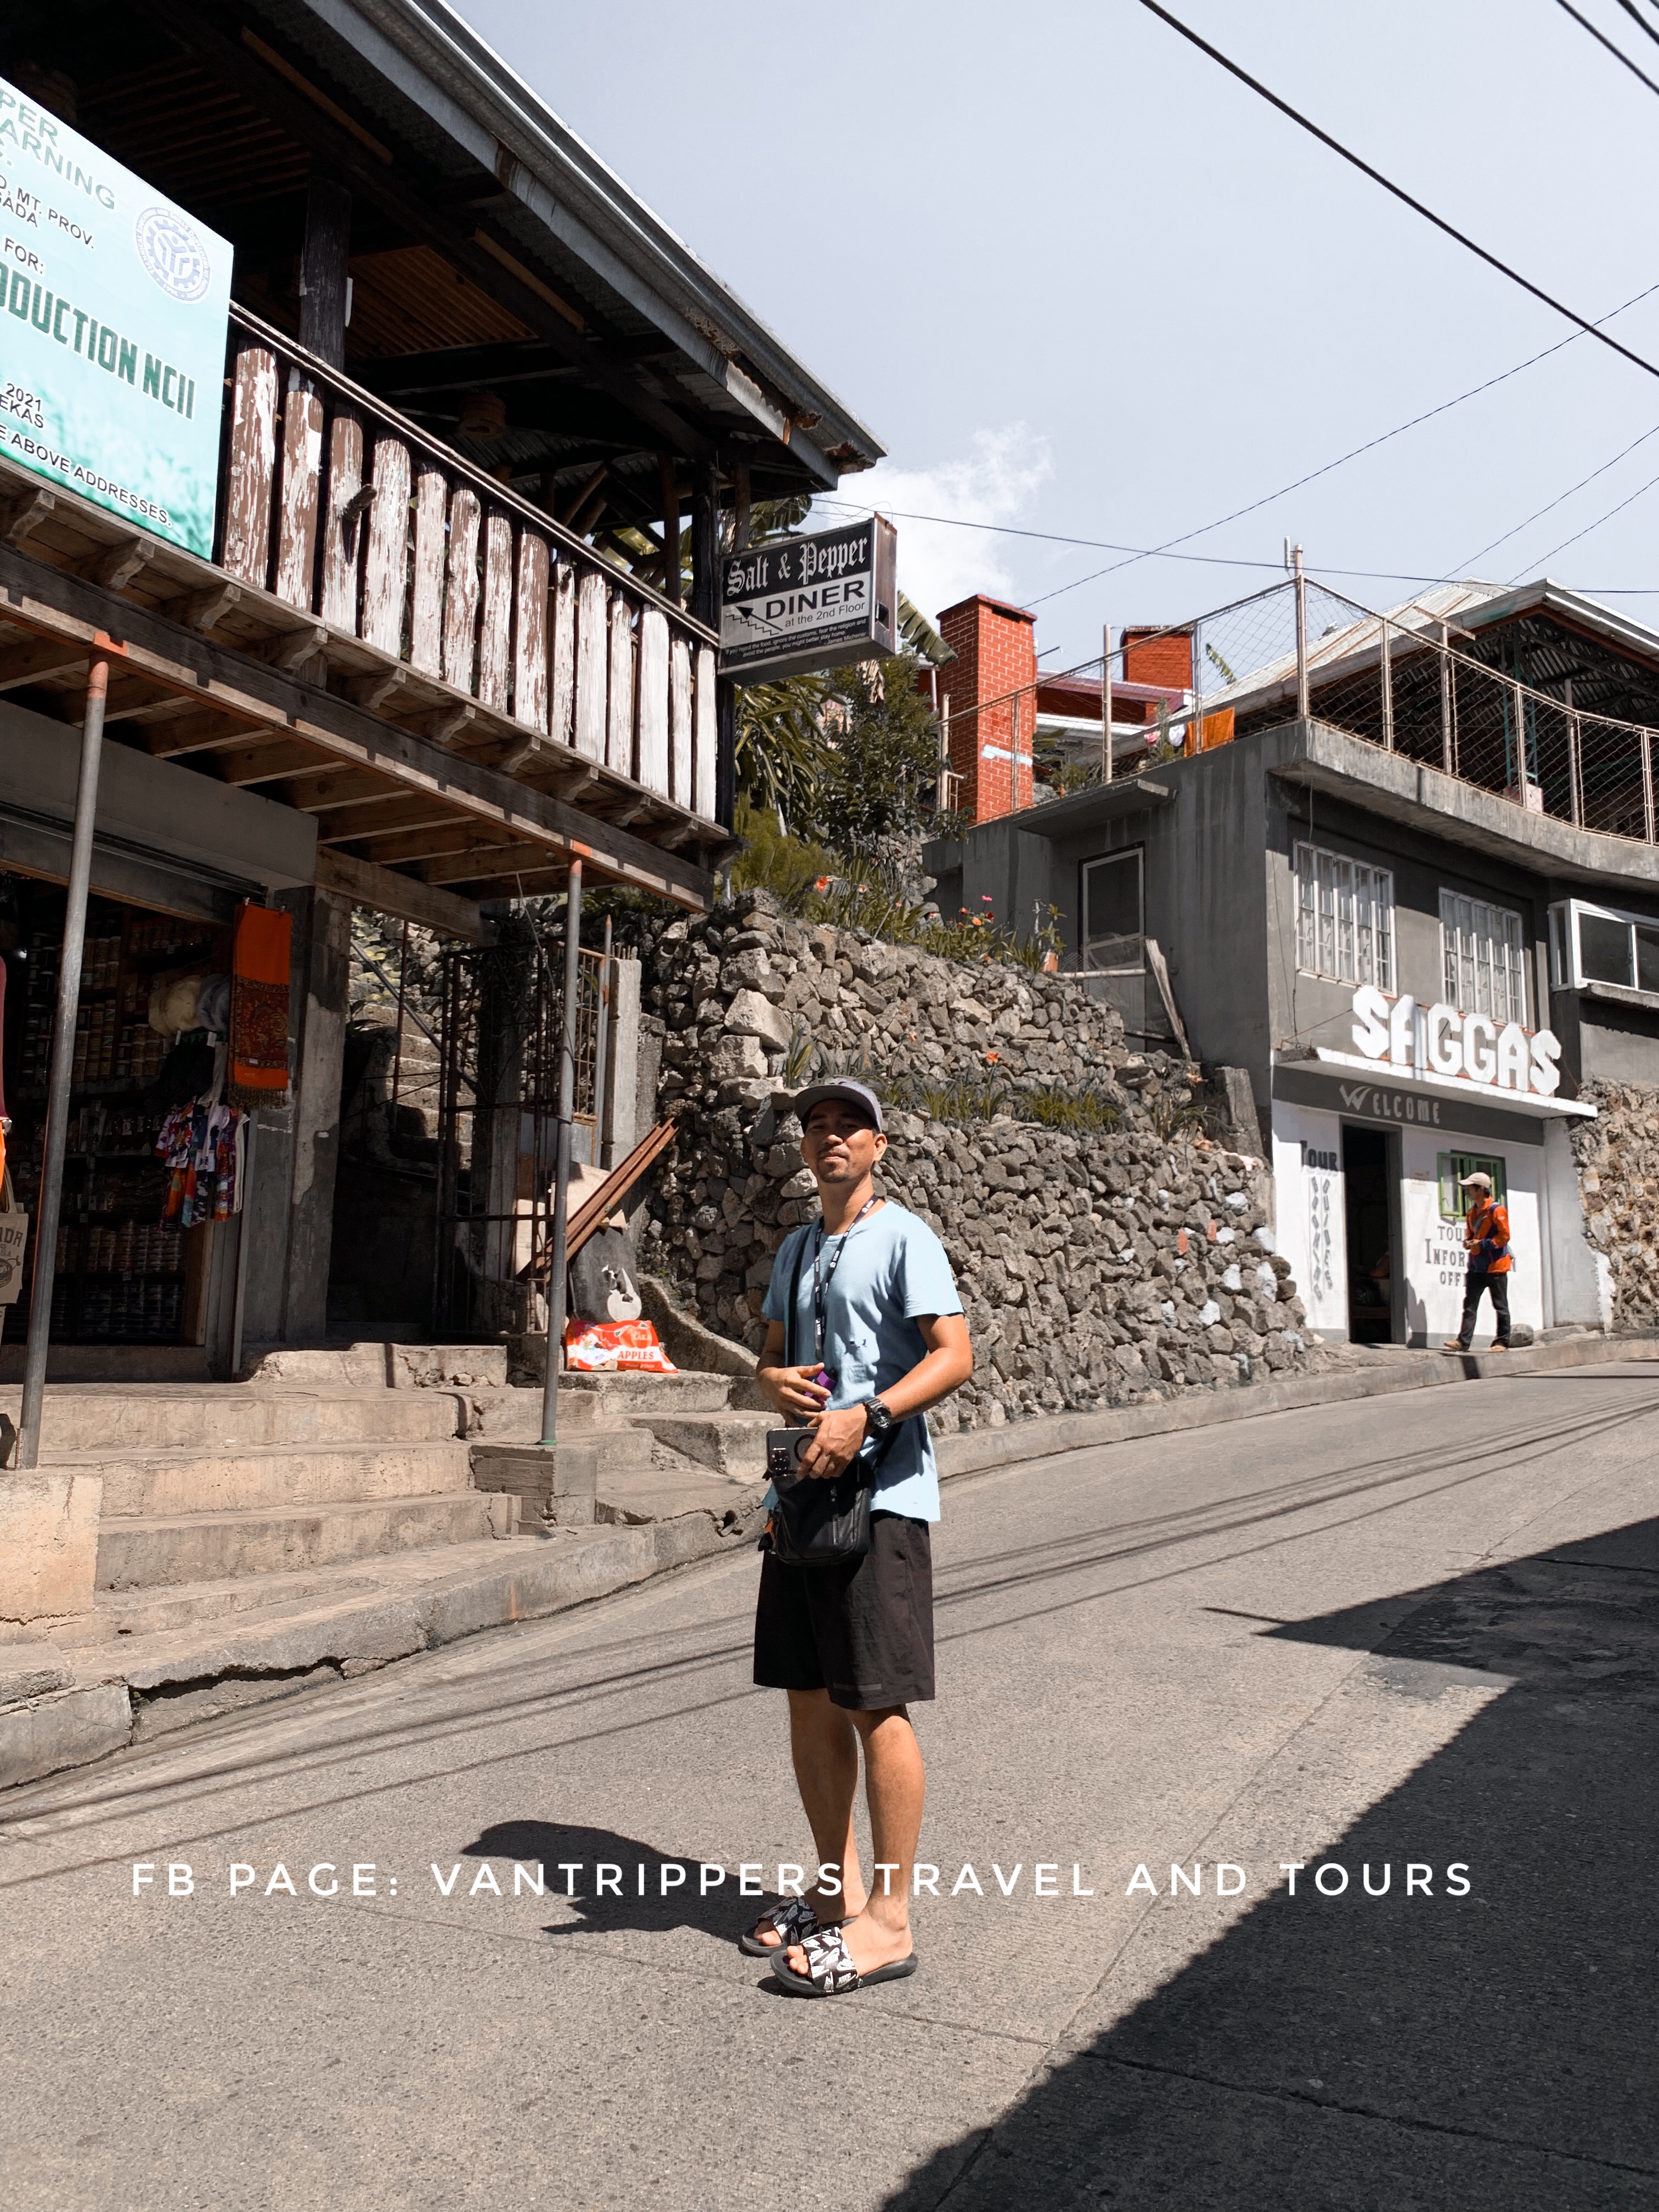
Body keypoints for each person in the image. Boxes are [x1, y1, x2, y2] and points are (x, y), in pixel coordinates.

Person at [745, 1077, 973, 1998]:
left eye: (849, 1125)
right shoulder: (797, 1247)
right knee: (807, 1697)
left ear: (878, 1146)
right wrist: (771, 1380)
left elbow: (954, 1354)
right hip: (802, 1497)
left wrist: (867, 1413)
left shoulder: (905, 1236)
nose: (830, 1136)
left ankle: (889, 1918)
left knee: (876, 1704)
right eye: (817, 1126)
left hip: (882, 1500)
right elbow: (771, 1354)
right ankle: (836, 1885)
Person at [1443, 1171, 1511, 1351]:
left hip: (1496, 1267)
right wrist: (1468, 1242)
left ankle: (1502, 1342)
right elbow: (1471, 1235)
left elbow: (1504, 1237)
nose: (1467, 1192)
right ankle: (1463, 1341)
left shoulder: (1497, 1211)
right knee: (1470, 1305)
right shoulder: (1471, 1213)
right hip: (1476, 1266)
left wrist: (1481, 1244)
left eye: (1470, 1188)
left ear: (1481, 1189)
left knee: (1500, 1306)